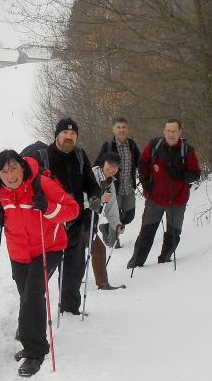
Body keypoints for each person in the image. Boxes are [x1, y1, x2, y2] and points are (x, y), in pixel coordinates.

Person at [0, 149, 79, 376]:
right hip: (18, 253)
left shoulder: (42, 184)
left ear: (22, 166)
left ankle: (35, 351)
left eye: (13, 168)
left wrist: (47, 208)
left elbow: (72, 210)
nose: (10, 175)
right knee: (26, 294)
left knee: (33, 294)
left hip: (49, 248)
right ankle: (31, 335)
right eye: (3, 171)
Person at [25, 118, 104, 316]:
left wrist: (95, 196)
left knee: (74, 273)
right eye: (65, 133)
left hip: (74, 224)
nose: (69, 137)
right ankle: (29, 320)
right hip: (50, 229)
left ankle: (69, 310)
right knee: (40, 279)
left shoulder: (79, 155)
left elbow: (91, 183)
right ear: (57, 135)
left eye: (73, 134)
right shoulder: (43, 158)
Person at [126, 119, 202, 268]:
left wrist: (180, 175)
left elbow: (195, 174)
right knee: (146, 233)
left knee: (173, 233)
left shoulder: (187, 151)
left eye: (174, 131)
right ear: (164, 131)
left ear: (180, 132)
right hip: (154, 198)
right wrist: (145, 181)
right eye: (168, 130)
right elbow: (142, 162)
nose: (171, 134)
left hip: (177, 200)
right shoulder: (155, 145)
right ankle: (136, 263)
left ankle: (164, 260)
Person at [90, 152, 126, 290]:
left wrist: (116, 224)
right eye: (110, 165)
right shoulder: (91, 176)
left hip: (90, 220)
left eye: (116, 166)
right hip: (76, 219)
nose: (112, 168)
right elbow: (78, 199)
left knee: (87, 250)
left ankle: (99, 282)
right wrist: (98, 201)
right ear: (102, 163)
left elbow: (111, 207)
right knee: (98, 249)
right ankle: (102, 283)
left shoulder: (109, 182)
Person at [96, 116, 140, 227]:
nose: (121, 130)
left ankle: (106, 227)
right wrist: (101, 182)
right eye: (118, 127)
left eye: (124, 127)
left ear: (127, 129)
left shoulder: (132, 144)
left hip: (129, 187)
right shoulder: (108, 146)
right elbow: (97, 165)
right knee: (115, 215)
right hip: (113, 187)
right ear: (114, 130)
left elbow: (141, 162)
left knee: (129, 217)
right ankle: (114, 241)